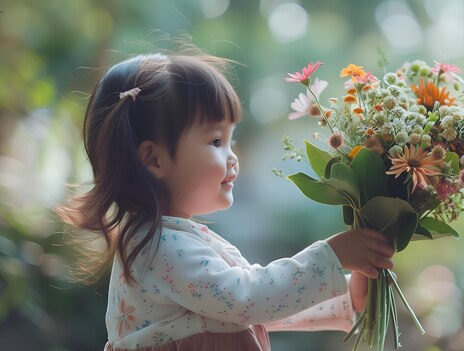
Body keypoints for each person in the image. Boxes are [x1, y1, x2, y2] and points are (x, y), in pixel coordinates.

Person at [55, 50, 394, 351]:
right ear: (154, 160)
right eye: (216, 141)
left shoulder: (173, 238)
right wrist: (330, 258)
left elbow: (240, 313)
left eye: (230, 141)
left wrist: (345, 296)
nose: (232, 158)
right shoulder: (160, 249)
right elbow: (247, 300)